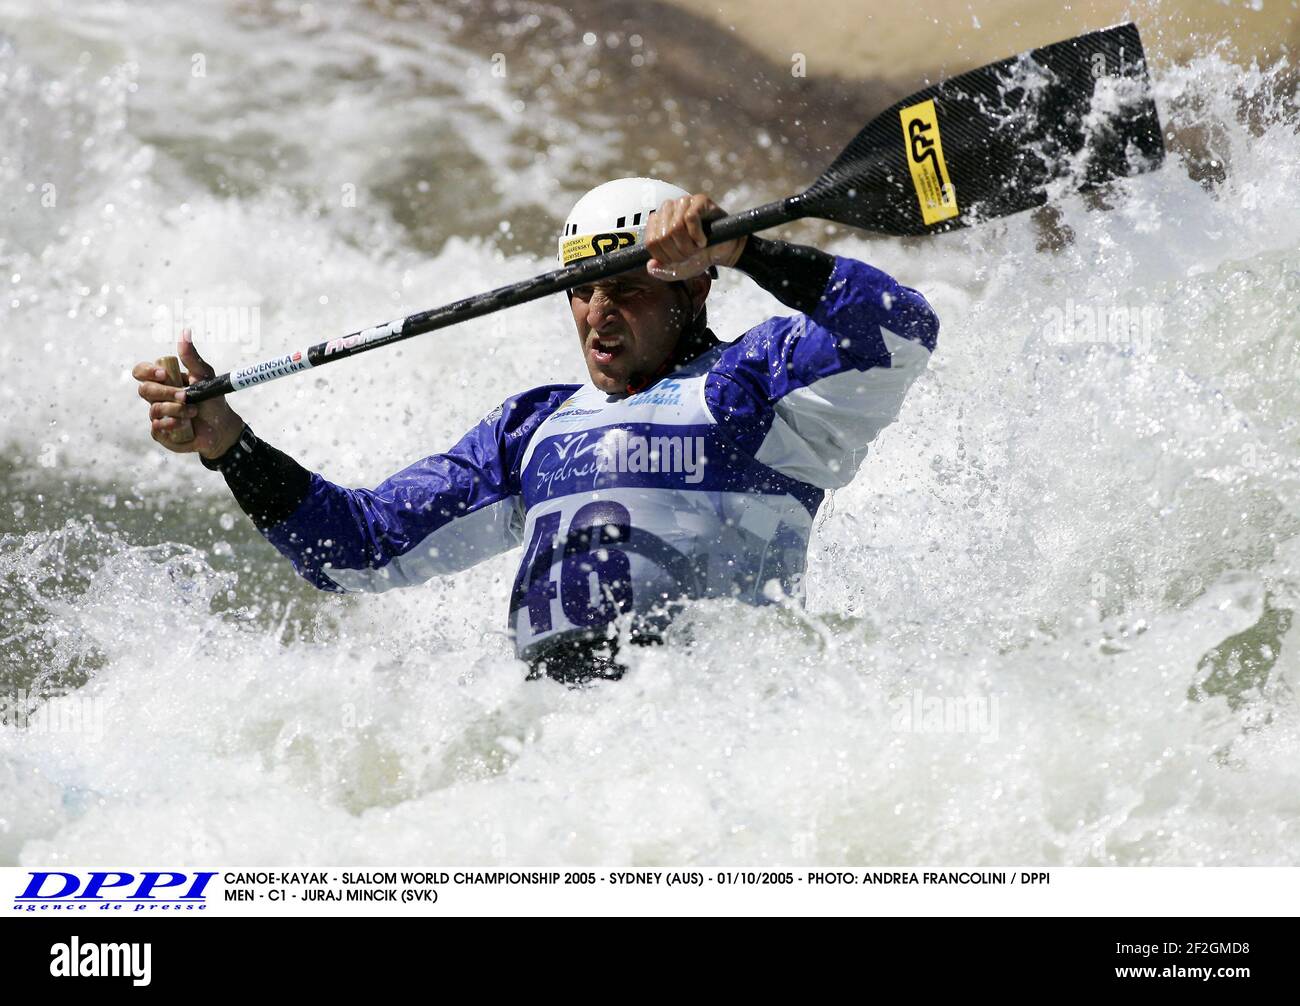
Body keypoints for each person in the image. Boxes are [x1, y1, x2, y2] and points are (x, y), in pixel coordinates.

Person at [134, 178, 940, 682]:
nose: (599, 314)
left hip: (711, 728)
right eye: (583, 291)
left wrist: (749, 252)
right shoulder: (531, 429)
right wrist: (229, 446)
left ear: (693, 292)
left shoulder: (756, 382)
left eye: (627, 288)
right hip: (556, 749)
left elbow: (900, 327)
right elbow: (355, 550)